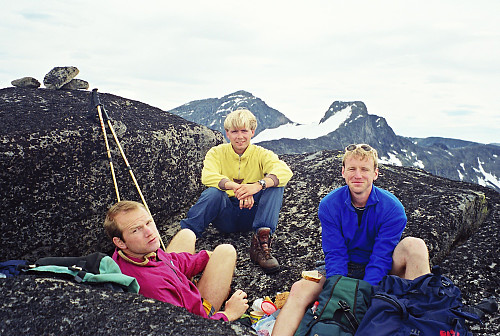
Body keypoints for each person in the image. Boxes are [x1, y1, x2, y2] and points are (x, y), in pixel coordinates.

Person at [272, 143, 431, 335]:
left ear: (375, 174)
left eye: (364, 169)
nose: (358, 175)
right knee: (299, 289)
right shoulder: (329, 205)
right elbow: (335, 253)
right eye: (352, 169)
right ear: (343, 172)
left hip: (382, 267)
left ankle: (421, 322)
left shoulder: (393, 209)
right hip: (344, 267)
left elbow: (381, 257)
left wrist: (366, 295)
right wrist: (339, 291)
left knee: (415, 246)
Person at [180, 108, 293, 273]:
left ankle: (261, 243)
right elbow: (207, 176)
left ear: (252, 132)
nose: (240, 136)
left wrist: (256, 187)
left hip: (252, 214)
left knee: (275, 185)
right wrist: (237, 188)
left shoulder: (262, 154)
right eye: (234, 131)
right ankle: (185, 240)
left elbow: (285, 171)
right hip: (226, 215)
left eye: (244, 131)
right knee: (213, 193)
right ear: (227, 133)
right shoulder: (217, 153)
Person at [104, 200, 249, 321]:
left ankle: (191, 283)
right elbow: (188, 327)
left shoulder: (134, 254)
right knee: (226, 251)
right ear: (120, 242)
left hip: (177, 290)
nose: (149, 233)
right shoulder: (153, 287)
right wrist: (229, 314)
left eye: (148, 223)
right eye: (136, 230)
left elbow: (171, 261)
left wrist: (205, 257)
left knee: (186, 234)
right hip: (197, 315)